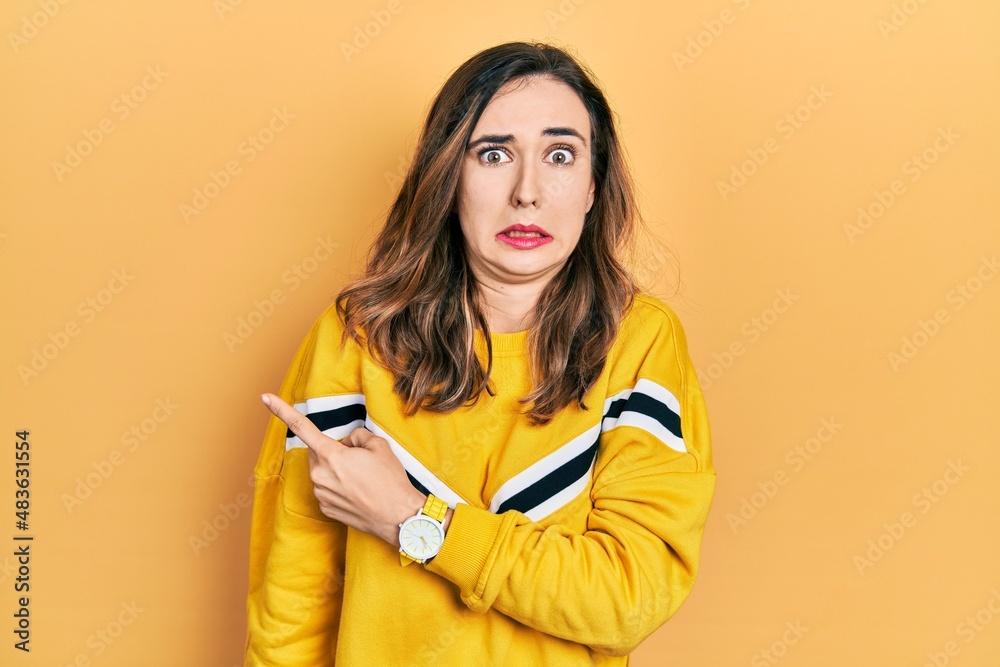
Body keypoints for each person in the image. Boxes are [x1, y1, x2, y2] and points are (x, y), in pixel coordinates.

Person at [243, 40, 716, 666]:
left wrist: (412, 519)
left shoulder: (640, 342)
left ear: (593, 187)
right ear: (448, 179)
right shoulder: (356, 336)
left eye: (560, 155)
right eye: (493, 154)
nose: (527, 192)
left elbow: (628, 598)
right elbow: (293, 604)